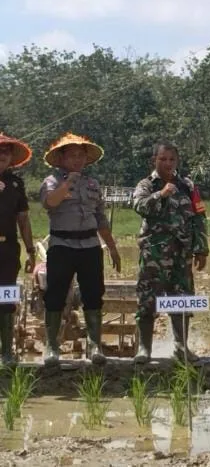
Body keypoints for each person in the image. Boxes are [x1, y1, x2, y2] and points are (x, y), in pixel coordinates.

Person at [39, 133, 121, 366]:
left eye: (81, 155)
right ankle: (52, 346)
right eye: (72, 155)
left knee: (93, 293)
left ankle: (94, 345)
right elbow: (50, 202)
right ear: (61, 158)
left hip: (90, 245)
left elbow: (101, 218)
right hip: (62, 245)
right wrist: (68, 183)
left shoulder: (93, 184)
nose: (77, 159)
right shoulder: (51, 181)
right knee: (55, 295)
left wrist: (112, 247)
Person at [132, 142, 208, 364]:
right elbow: (139, 206)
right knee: (148, 300)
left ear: (177, 161)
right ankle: (144, 348)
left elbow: (199, 216)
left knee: (181, 300)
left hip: (181, 254)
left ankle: (181, 346)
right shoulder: (147, 184)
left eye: (172, 159)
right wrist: (161, 195)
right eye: (163, 159)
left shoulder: (187, 186)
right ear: (154, 160)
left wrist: (201, 248)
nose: (168, 163)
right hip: (154, 254)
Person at [0, 134, 34, 366]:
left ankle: (6, 351)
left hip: (8, 249)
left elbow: (23, 219)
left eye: (6, 152)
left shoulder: (16, 184)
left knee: (7, 297)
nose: (2, 155)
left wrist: (31, 250)